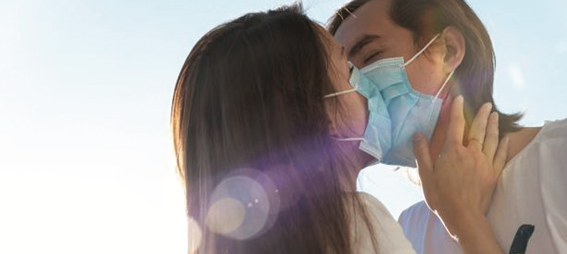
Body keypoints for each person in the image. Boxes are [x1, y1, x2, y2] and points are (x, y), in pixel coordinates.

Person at [172, 3, 508, 254]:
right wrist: (466, 220)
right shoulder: (358, 227)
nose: (369, 82)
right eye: (349, 67)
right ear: (316, 111)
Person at [328, 0, 567, 253]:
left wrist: (463, 220)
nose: (357, 88)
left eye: (371, 56)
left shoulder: (559, 154)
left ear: (449, 50)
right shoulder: (406, 231)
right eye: (348, 74)